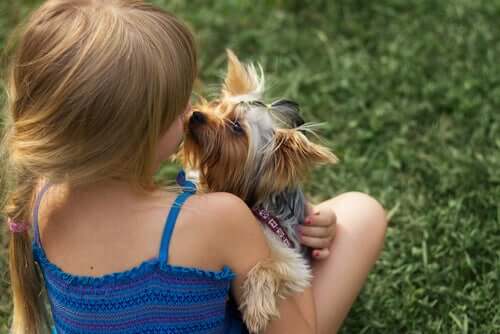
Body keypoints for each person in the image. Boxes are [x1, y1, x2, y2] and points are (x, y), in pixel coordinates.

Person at [0, 1, 387, 333]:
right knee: (362, 212)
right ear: (139, 134)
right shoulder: (220, 220)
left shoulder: (39, 197)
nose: (193, 112)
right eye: (178, 106)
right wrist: (287, 242)